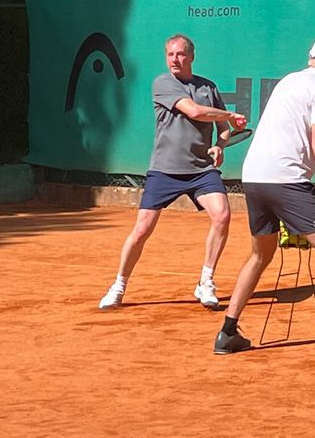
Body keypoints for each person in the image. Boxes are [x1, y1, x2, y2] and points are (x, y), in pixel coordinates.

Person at [213, 34, 315, 365]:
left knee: (261, 254)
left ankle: (227, 333)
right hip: (285, 180)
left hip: (255, 178)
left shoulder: (291, 81)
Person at [98, 34, 247, 310]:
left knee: (223, 215)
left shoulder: (207, 87)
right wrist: (229, 116)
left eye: (180, 55)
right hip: (165, 170)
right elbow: (195, 112)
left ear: (191, 57)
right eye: (170, 55)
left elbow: (223, 130)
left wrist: (219, 145)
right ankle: (118, 286)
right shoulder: (163, 83)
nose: (174, 60)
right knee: (142, 230)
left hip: (201, 169)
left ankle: (205, 282)